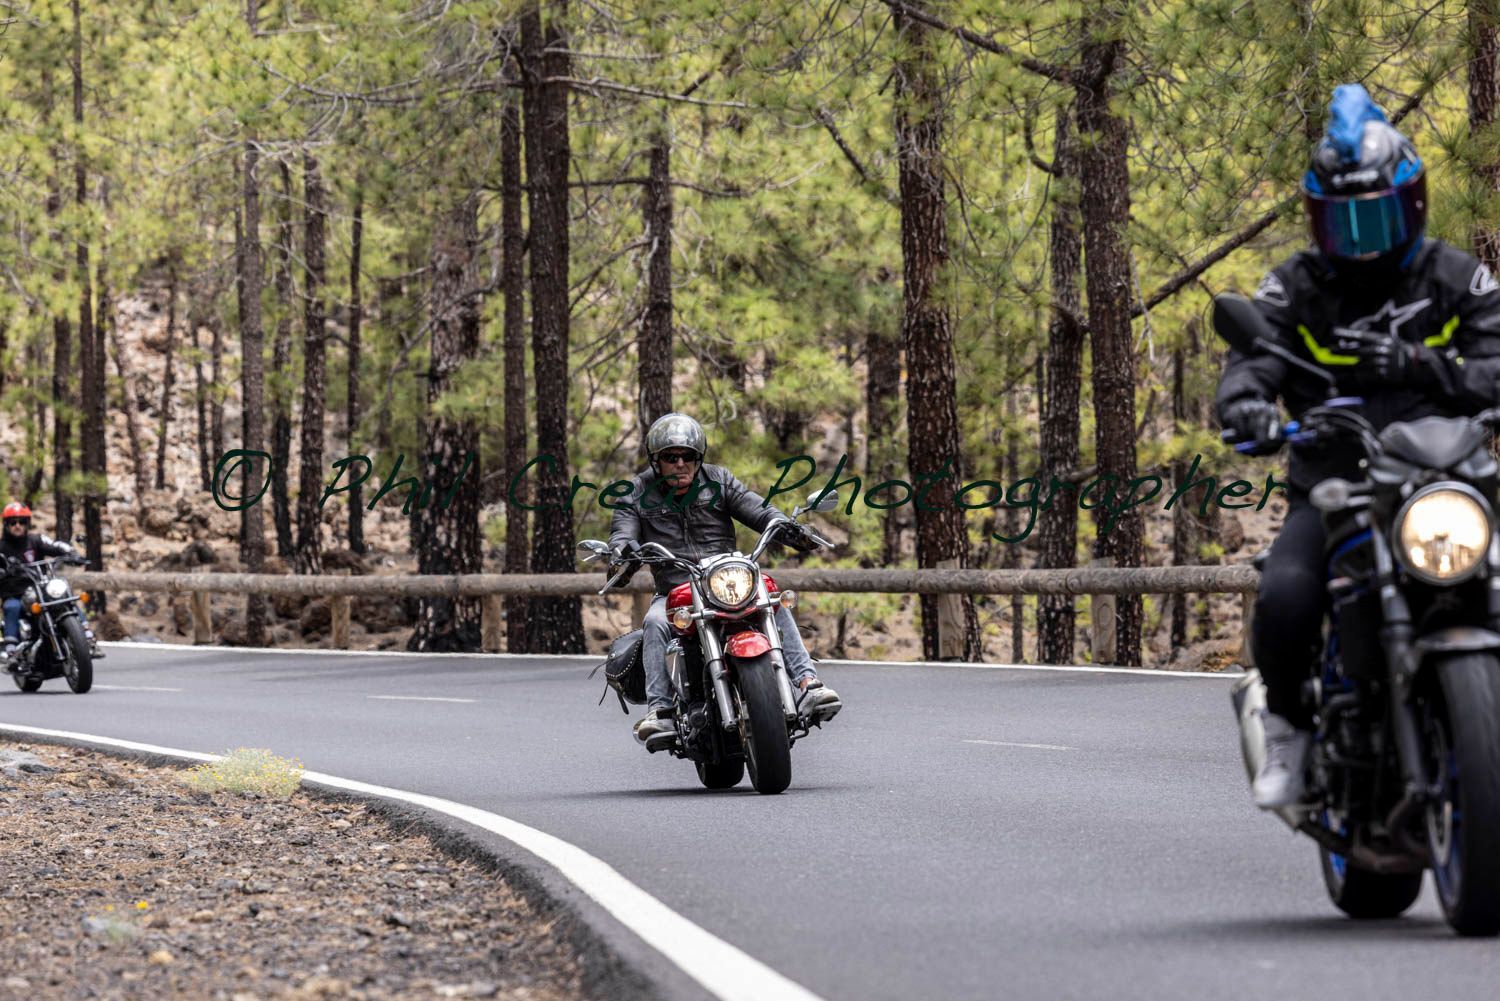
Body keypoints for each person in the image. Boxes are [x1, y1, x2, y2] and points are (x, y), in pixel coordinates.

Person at [1216, 84, 1500, 808]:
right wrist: (1246, 402)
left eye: (1378, 215)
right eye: (1350, 221)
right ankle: (1288, 727)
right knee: (1285, 595)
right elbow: (1256, 355)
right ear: (1319, 221)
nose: (1367, 239)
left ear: (1411, 201)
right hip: (1336, 485)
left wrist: (1414, 365)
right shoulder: (1295, 285)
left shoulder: (1456, 276)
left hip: (1444, 478)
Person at [607, 412, 841, 742]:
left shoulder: (719, 480)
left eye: (688, 456)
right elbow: (622, 532)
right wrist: (621, 551)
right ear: (656, 460)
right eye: (670, 457)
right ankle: (660, 711)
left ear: (698, 458)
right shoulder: (635, 491)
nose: (680, 464)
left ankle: (808, 684)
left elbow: (758, 509)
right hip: (676, 588)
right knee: (656, 623)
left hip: (726, 580)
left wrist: (789, 528)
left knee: (771, 599)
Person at [0, 502, 77, 662]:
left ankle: (86, 634)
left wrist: (70, 552)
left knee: (65, 596)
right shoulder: (1, 547)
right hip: (15, 593)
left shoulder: (35, 540)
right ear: (6, 525)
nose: (17, 526)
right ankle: (11, 649)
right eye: (13, 522)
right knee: (11, 607)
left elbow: (54, 545)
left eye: (21, 522)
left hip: (40, 589)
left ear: (27, 523)